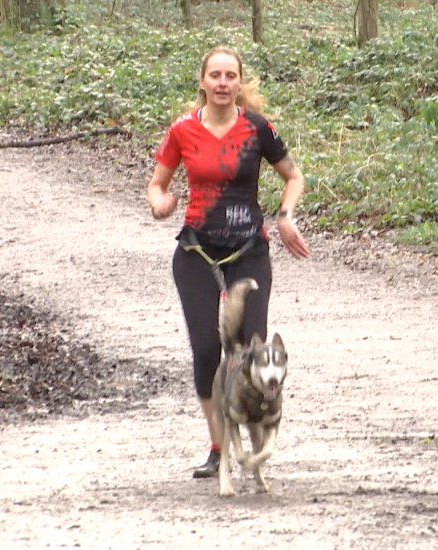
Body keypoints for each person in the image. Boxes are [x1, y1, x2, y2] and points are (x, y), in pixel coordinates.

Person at [146, 45, 310, 478]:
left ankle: (256, 442)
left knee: (252, 352)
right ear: (202, 81)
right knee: (206, 350)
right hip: (197, 251)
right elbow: (157, 184)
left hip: (248, 252)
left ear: (239, 83)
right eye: (214, 75)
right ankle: (219, 447)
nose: (222, 83)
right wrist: (160, 202)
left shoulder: (258, 128)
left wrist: (286, 216)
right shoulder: (182, 130)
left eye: (229, 76)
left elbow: (293, 177)